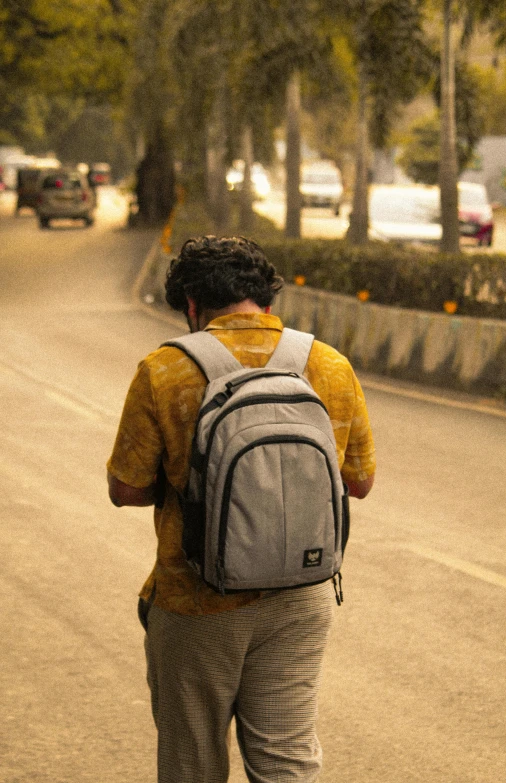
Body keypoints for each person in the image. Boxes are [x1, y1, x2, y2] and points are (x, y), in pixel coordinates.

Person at [106, 235, 376, 783]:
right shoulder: (327, 364)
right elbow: (360, 481)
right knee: (287, 761)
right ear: (268, 301)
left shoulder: (164, 370)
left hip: (196, 599)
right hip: (303, 593)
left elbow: (125, 489)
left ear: (190, 306)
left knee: (192, 762)